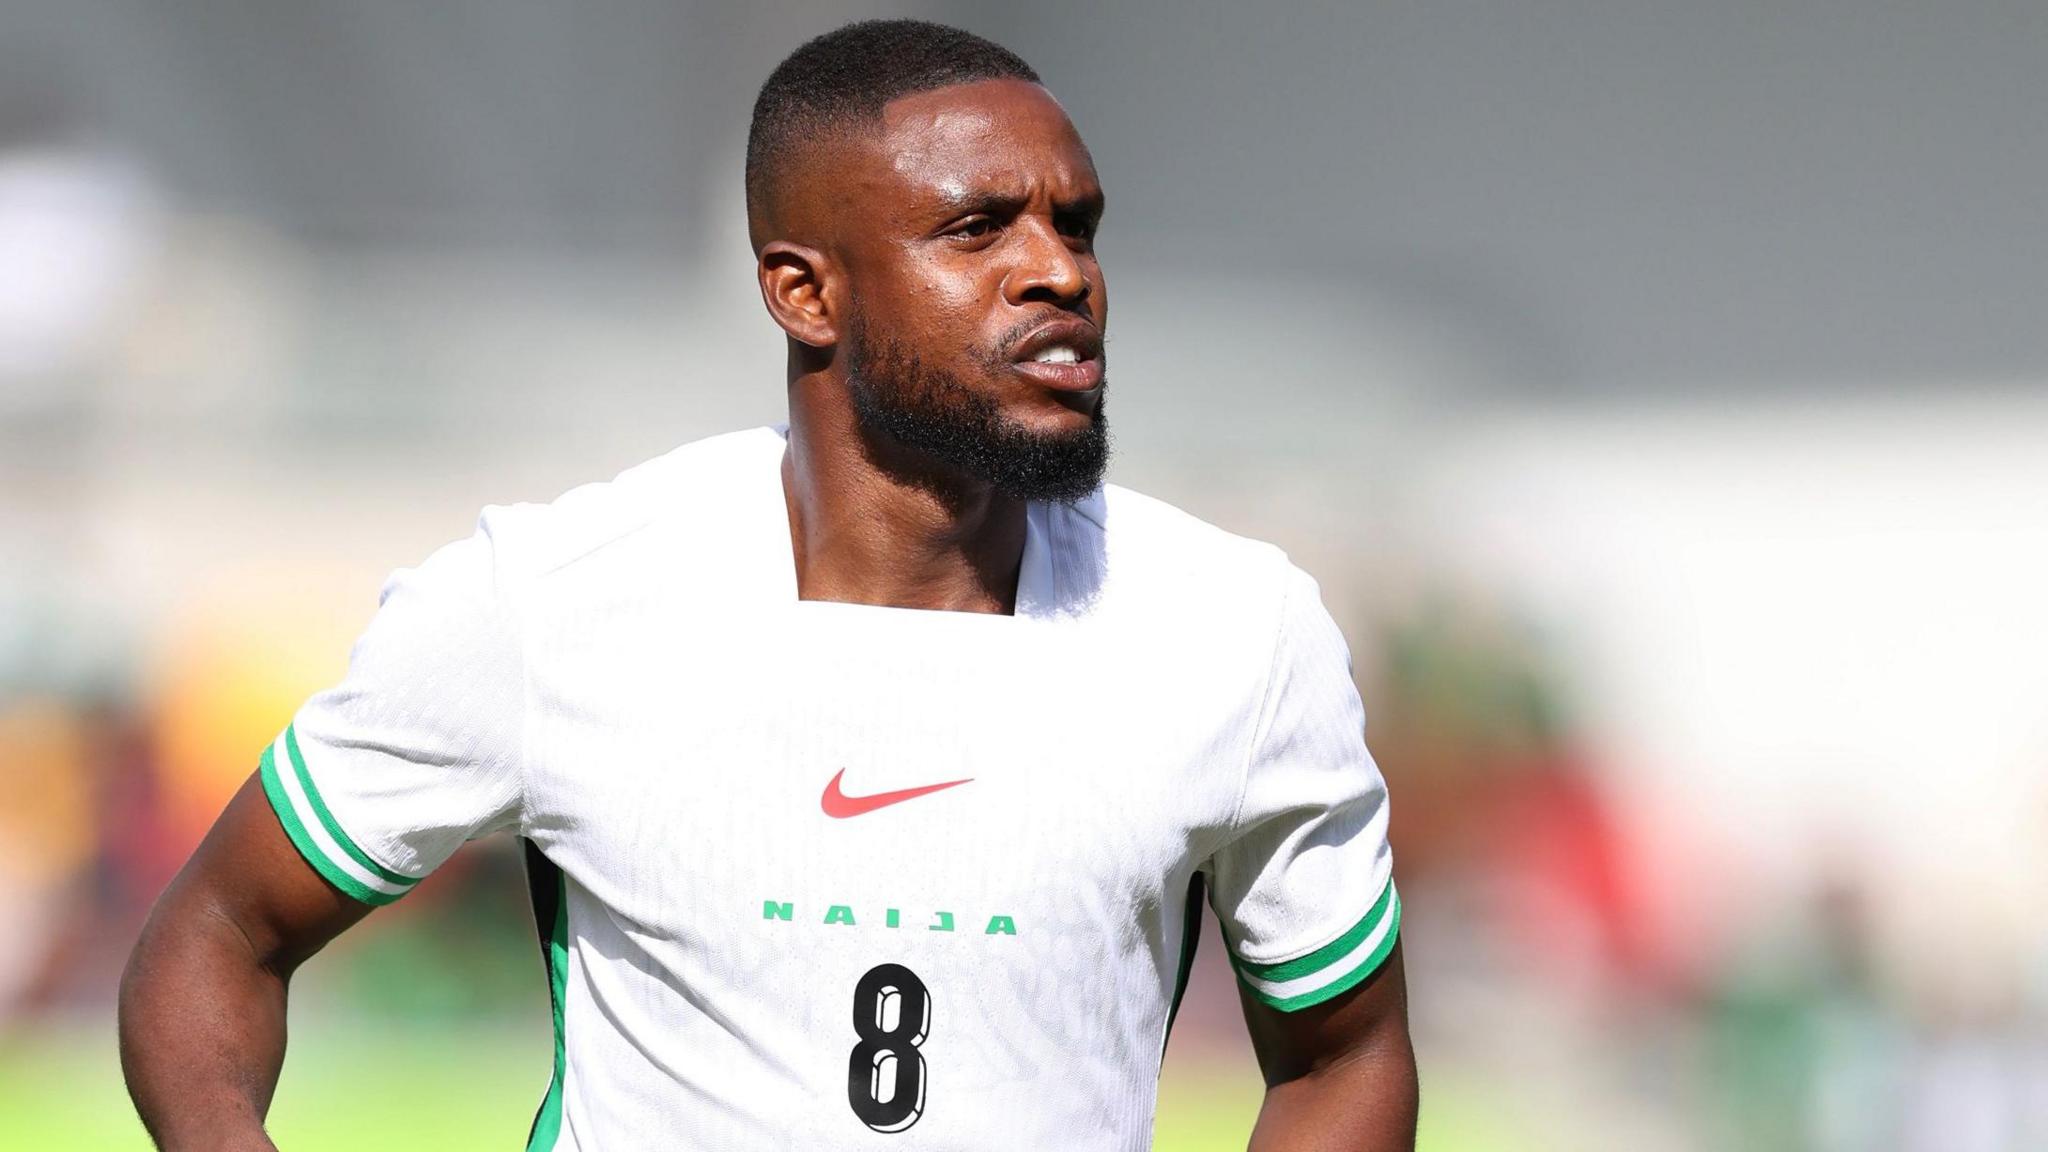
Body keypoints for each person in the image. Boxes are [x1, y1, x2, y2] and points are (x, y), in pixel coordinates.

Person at [118, 19, 1416, 1151]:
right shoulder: (553, 601)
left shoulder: (1239, 633)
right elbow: (218, 934)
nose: (1061, 271)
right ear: (805, 294)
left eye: (1074, 224)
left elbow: (1344, 1056)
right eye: (978, 228)